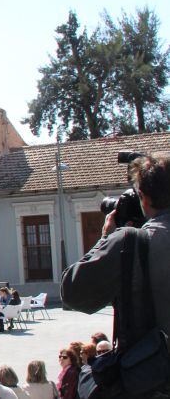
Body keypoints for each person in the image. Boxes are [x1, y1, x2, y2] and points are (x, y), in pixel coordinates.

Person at [61, 154, 170, 381]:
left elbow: (72, 293)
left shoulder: (130, 242)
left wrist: (106, 240)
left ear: (143, 197)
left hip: (152, 376)